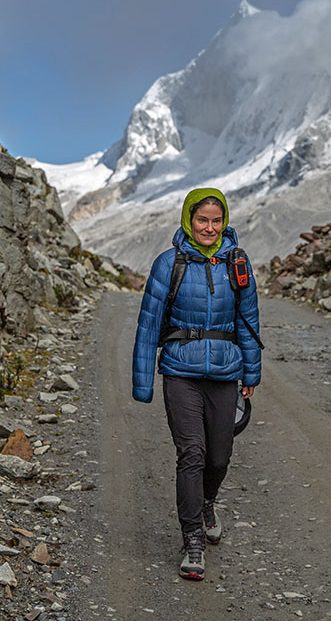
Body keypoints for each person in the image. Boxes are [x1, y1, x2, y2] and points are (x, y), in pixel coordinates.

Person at [131, 187, 261, 580]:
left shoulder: (237, 263)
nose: (209, 227)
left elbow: (248, 321)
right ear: (189, 219)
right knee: (192, 453)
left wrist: (251, 372)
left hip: (225, 373)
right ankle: (192, 540)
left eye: (216, 220)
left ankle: (207, 504)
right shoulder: (168, 263)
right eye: (202, 220)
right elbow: (148, 325)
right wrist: (143, 382)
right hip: (180, 372)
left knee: (219, 457)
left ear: (225, 222)